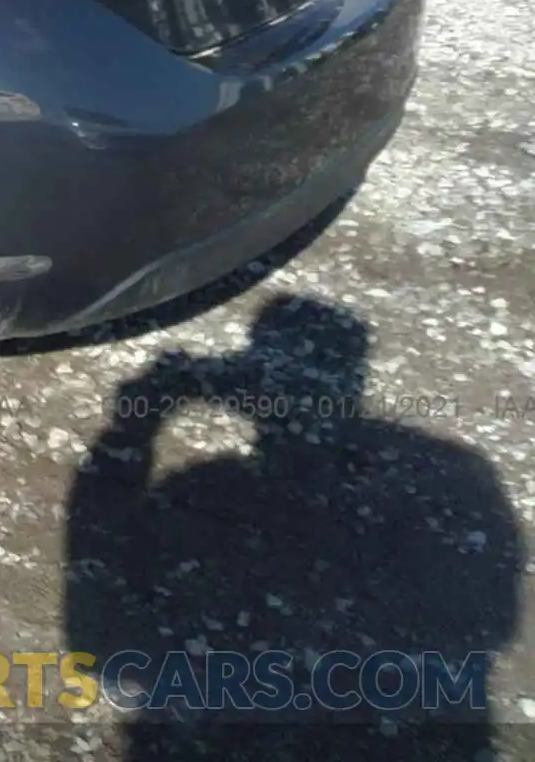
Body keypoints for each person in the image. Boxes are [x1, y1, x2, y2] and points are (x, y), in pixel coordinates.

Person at [64, 295, 522, 760]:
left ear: (249, 392)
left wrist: (127, 438)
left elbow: (99, 642)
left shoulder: (199, 503)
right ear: (356, 384)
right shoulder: (447, 489)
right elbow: (494, 623)